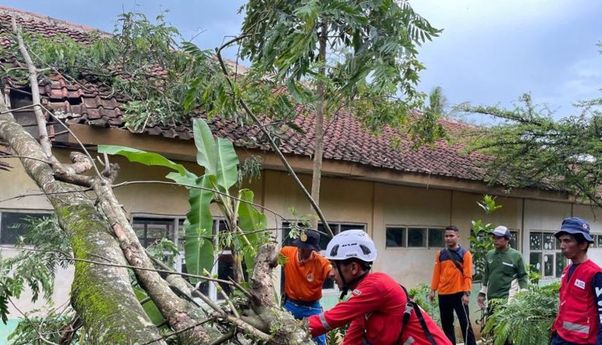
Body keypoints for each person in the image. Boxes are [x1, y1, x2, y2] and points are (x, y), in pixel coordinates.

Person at [307, 229, 451, 345]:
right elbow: (352, 340)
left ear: (353, 268)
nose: (331, 273)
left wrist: (294, 327)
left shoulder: (376, 286)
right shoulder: (364, 304)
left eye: (334, 266)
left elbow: (329, 319)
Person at [550, 217, 602, 345]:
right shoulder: (566, 271)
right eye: (561, 241)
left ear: (583, 244)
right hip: (559, 336)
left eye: (567, 241)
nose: (562, 246)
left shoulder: (595, 274)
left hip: (581, 340)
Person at [281, 229, 331, 345]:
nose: (300, 250)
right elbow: (272, 258)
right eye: (299, 246)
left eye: (304, 248)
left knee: (319, 341)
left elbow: (332, 273)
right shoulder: (287, 252)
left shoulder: (321, 262)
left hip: (312, 308)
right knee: (283, 337)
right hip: (290, 305)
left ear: (312, 249)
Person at [429, 225, 476, 345]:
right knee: (446, 324)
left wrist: (466, 293)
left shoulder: (465, 254)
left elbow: (468, 275)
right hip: (443, 294)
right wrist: (433, 290)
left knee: (465, 323)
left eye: (451, 236)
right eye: (446, 236)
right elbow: (436, 273)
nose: (448, 238)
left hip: (459, 294)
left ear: (457, 237)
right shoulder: (440, 254)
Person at [477, 225, 528, 310]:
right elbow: (486, 276)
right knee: (490, 322)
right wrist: (482, 293)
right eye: (493, 237)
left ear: (507, 239)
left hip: (508, 299)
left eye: (499, 238)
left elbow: (522, 276)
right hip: (491, 299)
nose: (495, 240)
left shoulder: (516, 255)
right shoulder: (489, 254)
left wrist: (524, 292)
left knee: (504, 322)